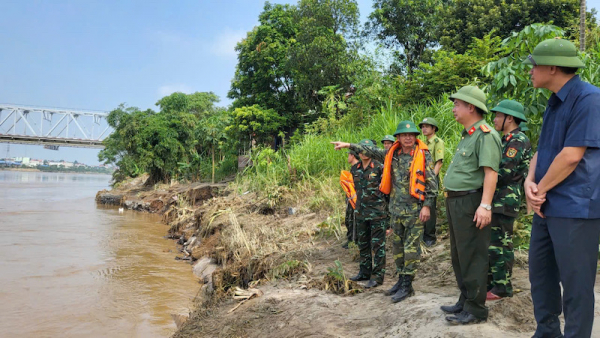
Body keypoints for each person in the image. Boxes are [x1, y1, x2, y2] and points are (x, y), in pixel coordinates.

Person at [523, 38, 600, 338]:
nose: (530, 71)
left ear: (552, 67)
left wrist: (539, 191)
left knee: (576, 283)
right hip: (548, 205)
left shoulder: (589, 99)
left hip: (575, 208)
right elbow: (544, 151)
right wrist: (531, 182)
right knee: (540, 274)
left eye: (534, 65)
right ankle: (547, 333)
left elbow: (571, 156)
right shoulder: (553, 103)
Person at [331, 121, 437, 302]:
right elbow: (370, 151)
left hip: (414, 211)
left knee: (411, 249)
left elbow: (431, 182)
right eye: (404, 135)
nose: (408, 137)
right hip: (396, 211)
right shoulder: (391, 154)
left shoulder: (423, 155)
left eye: (411, 134)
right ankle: (401, 280)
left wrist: (427, 206)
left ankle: (407, 285)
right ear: (398, 138)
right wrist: (349, 145)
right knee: (398, 249)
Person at [440, 86, 502, 325]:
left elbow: (491, 173)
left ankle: (476, 310)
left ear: (471, 107)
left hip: (471, 201)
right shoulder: (469, 134)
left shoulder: (485, 135)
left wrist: (485, 205)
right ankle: (465, 300)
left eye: (457, 104)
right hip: (456, 202)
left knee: (473, 255)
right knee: (459, 255)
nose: (454, 109)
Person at [488, 100, 532, 301]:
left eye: (498, 115)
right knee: (493, 244)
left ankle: (502, 287)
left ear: (510, 118)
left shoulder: (517, 140)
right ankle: (495, 283)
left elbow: (505, 171)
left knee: (501, 245)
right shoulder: (505, 139)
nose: (495, 119)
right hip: (497, 200)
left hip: (505, 201)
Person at [347, 139, 388, 288]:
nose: (364, 152)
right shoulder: (355, 168)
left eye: (367, 149)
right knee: (363, 244)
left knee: (378, 246)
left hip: (377, 213)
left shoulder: (380, 168)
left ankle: (377, 276)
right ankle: (364, 272)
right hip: (361, 213)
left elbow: (387, 193)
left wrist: (388, 218)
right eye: (361, 150)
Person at [418, 117, 445, 247]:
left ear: (434, 128)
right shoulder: (423, 144)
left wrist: (431, 179)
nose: (424, 129)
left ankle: (430, 236)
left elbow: (438, 163)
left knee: (430, 208)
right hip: (421, 180)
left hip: (431, 180)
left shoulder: (437, 142)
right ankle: (423, 234)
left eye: (427, 126)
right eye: (422, 126)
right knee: (421, 206)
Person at [342, 150, 360, 249]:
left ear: (352, 156)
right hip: (351, 199)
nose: (348, 157)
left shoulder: (358, 168)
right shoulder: (353, 168)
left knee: (353, 220)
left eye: (349, 155)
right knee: (349, 220)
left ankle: (354, 241)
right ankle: (350, 240)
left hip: (356, 200)